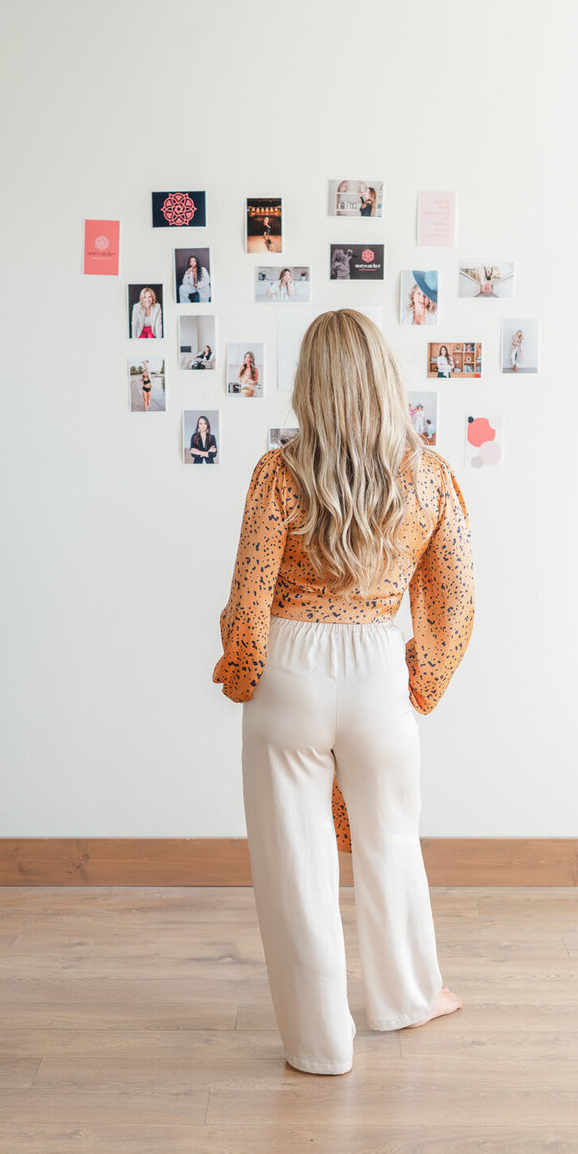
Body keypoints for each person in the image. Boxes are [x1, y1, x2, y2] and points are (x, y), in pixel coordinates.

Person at [212, 309, 474, 1075]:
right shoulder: (428, 474)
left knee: (296, 859)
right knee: (392, 840)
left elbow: (248, 596)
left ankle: (320, 1045)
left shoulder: (277, 474)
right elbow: (454, 598)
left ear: (308, 385)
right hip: (376, 668)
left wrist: (243, 666)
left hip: (289, 666)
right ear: (385, 379)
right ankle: (406, 1000)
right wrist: (421, 678)